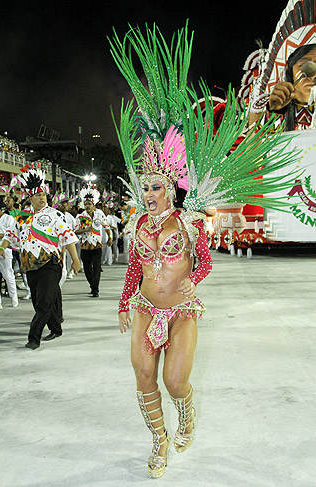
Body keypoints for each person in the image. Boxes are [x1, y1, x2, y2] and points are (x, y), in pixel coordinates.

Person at [110, 22, 302, 479]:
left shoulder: (189, 221)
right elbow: (135, 265)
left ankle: (187, 414)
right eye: (145, 185)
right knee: (142, 379)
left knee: (175, 381)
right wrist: (123, 302)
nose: (149, 191)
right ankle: (158, 443)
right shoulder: (137, 223)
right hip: (143, 308)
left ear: (170, 189)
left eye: (156, 185)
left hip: (181, 310)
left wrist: (188, 284)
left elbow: (207, 262)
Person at [0, 168, 81, 349]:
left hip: (51, 264)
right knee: (38, 302)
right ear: (30, 198)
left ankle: (34, 338)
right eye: (38, 195)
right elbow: (10, 236)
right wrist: (2, 249)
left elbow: (68, 237)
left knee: (44, 303)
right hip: (30, 266)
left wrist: (75, 259)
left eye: (43, 194)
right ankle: (56, 328)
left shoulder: (55, 215)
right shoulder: (23, 218)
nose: (42, 198)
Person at [268, 44, 316, 130]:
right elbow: (254, 141)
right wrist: (276, 112)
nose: (313, 76)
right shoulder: (274, 114)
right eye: (304, 66)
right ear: (290, 70)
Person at [75, 187, 112, 297]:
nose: (87, 206)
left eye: (89, 204)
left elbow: (106, 226)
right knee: (87, 269)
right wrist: (85, 230)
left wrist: (109, 237)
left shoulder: (99, 215)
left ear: (93, 205)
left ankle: (95, 289)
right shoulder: (80, 217)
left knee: (96, 268)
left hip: (97, 245)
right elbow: (75, 231)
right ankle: (93, 285)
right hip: (85, 246)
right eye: (85, 204)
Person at [0, 194, 18, 312]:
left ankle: (13, 296)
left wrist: (1, 235)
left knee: (8, 274)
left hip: (4, 250)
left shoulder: (8, 219)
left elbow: (13, 234)